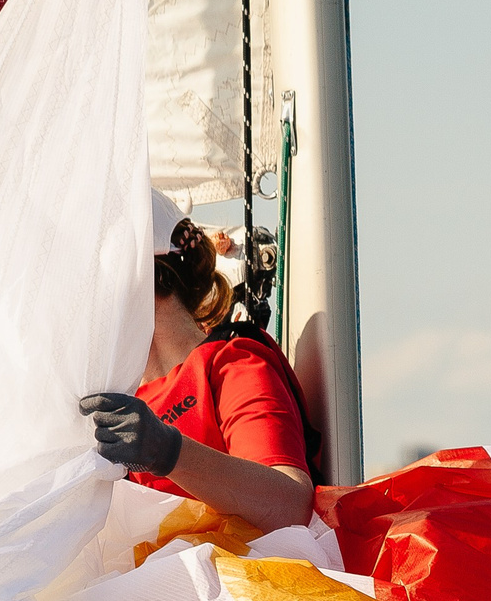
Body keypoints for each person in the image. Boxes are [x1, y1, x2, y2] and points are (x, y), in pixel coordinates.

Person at [78, 191, 323, 528]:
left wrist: (166, 452)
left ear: (146, 276)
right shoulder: (120, 408)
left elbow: (290, 504)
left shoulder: (230, 364)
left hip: (245, 578)